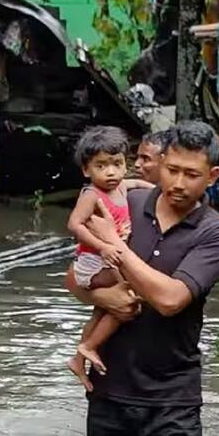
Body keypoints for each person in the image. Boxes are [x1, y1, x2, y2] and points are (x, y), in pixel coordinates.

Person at [65, 121, 219, 436]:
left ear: (212, 176)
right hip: (108, 390)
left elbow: (171, 299)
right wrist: (103, 296)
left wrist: (116, 243)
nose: (178, 183)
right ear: (160, 165)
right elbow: (73, 278)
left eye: (192, 174)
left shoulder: (216, 233)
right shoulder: (126, 202)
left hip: (172, 401)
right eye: (172, 170)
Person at [66, 126, 154, 391]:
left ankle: (79, 359)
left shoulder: (122, 187)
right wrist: (102, 247)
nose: (111, 172)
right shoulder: (92, 194)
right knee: (129, 297)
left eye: (117, 164)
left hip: (104, 261)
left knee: (102, 309)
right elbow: (75, 225)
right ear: (86, 170)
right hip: (92, 264)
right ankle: (89, 346)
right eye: (101, 166)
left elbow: (139, 183)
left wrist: (159, 192)